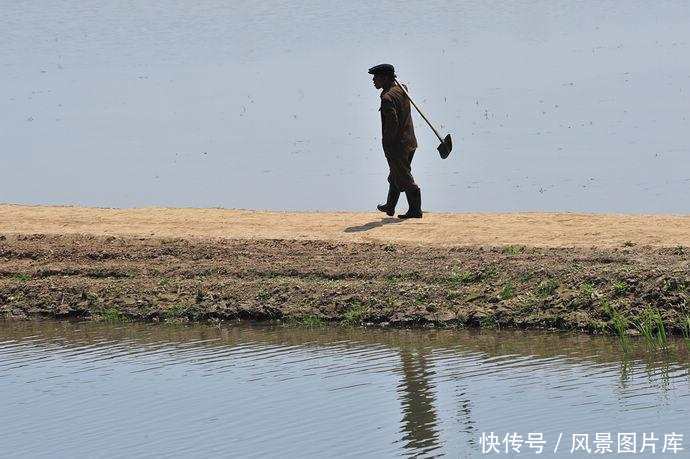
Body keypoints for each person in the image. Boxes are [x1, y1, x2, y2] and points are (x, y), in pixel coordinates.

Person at [369, 63, 422, 218]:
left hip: (398, 145)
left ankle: (415, 210)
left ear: (385, 78)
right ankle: (390, 206)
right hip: (410, 141)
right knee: (395, 174)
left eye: (376, 77)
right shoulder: (402, 88)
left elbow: (392, 123)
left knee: (404, 177)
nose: (373, 80)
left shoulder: (387, 98)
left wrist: (388, 143)